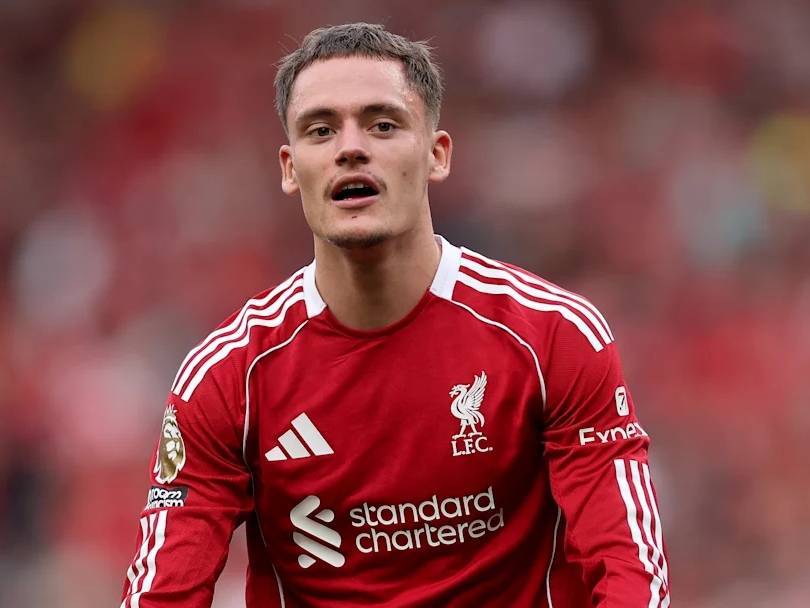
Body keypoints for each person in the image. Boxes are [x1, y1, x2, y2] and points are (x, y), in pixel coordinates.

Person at [120, 22, 671, 608]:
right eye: (320, 130)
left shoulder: (551, 336)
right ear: (290, 168)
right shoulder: (230, 376)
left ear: (437, 154)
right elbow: (162, 592)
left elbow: (629, 569)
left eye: (382, 125)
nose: (350, 148)